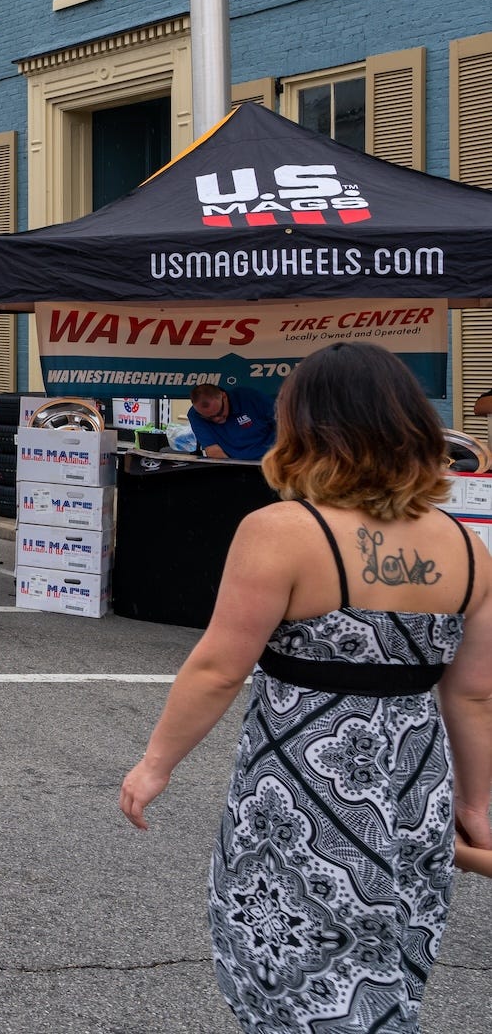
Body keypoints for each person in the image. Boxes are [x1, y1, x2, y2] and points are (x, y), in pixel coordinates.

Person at [120, 342, 491, 1034]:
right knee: (388, 970)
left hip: (302, 792)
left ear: (307, 427)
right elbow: (472, 695)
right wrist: (476, 806)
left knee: (290, 975)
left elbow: (219, 667)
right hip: (413, 787)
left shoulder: (281, 532)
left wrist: (155, 764)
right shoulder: (467, 549)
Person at [188, 381, 277, 462]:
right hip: (234, 464)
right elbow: (214, 451)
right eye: (209, 418)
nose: (217, 419)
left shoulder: (250, 398)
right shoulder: (195, 415)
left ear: (224, 397)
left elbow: (286, 425)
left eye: (219, 413)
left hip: (271, 459)